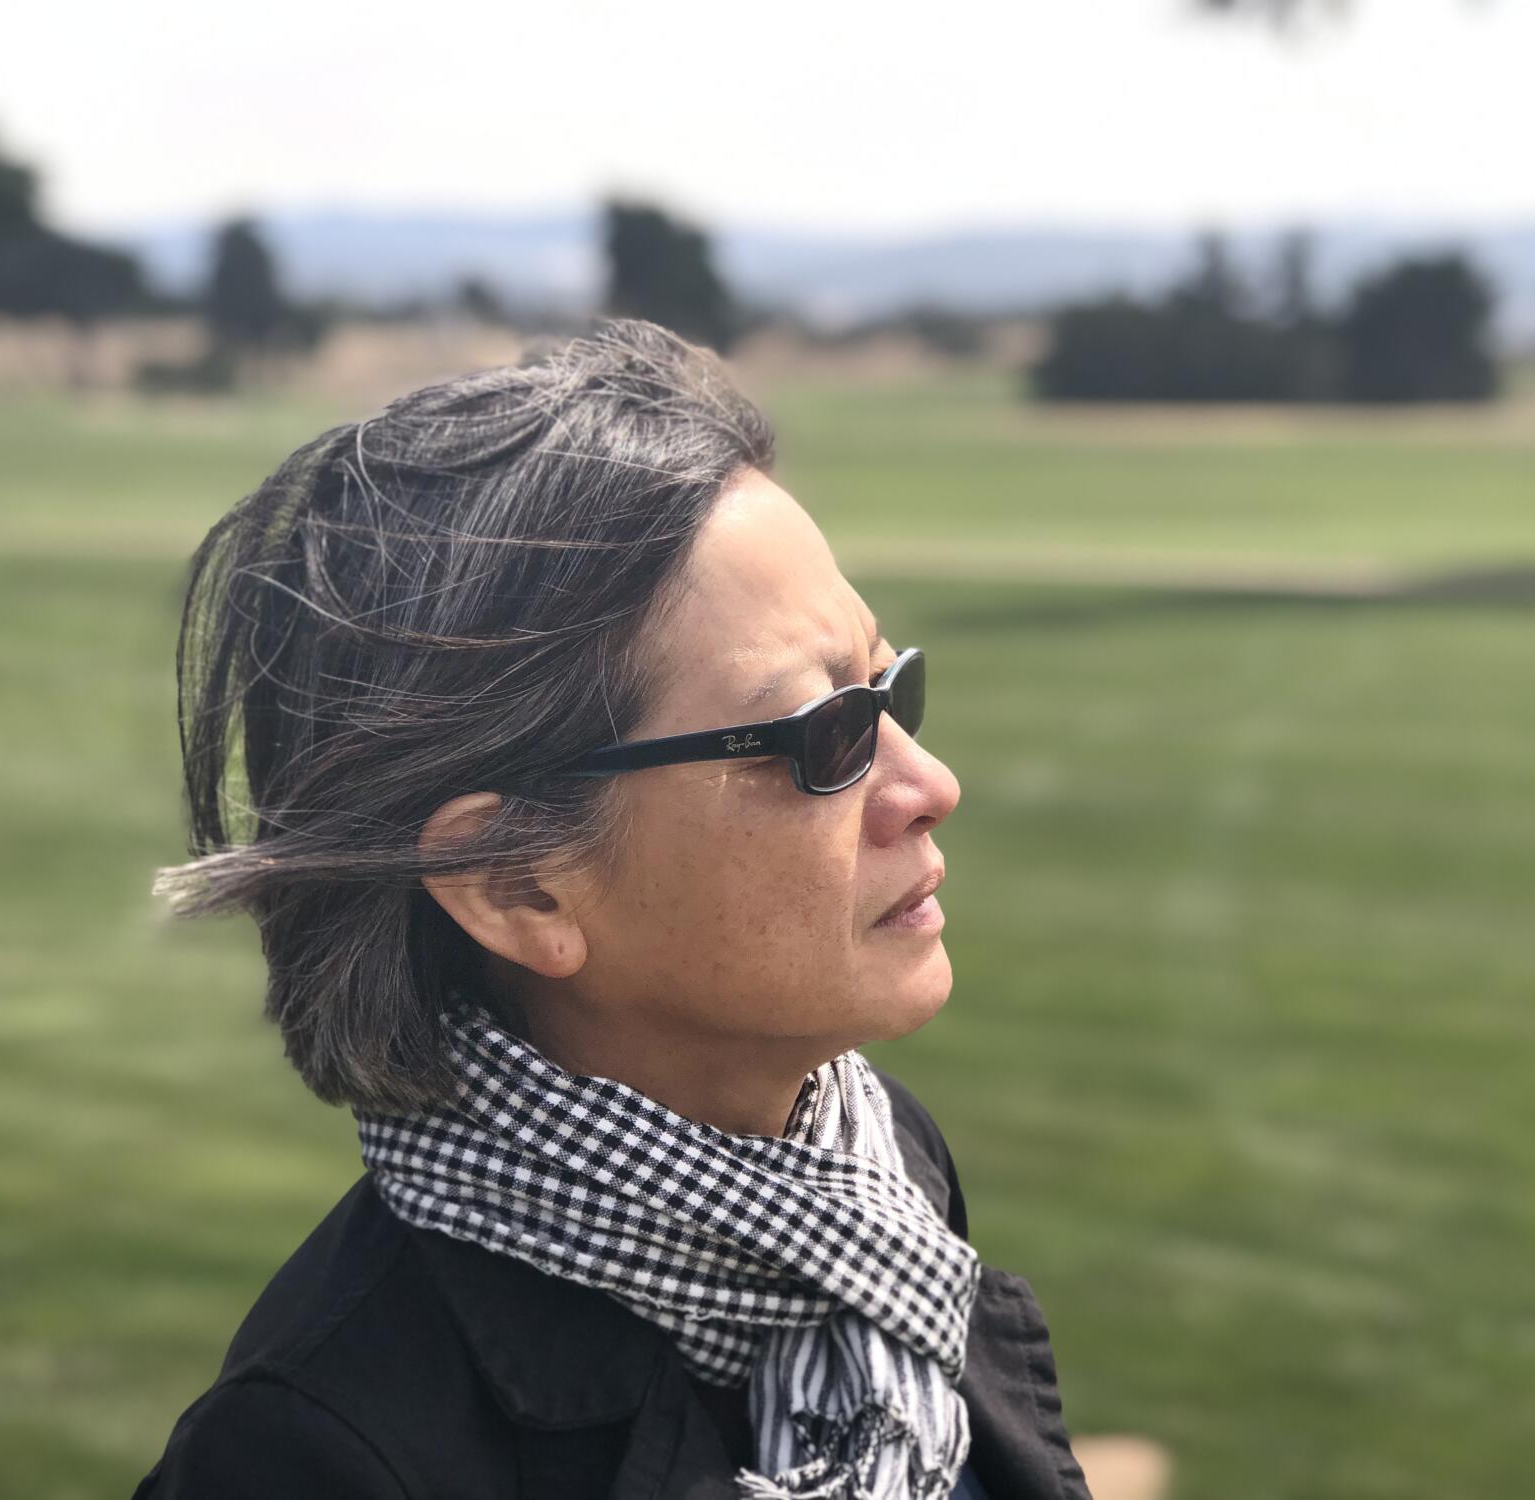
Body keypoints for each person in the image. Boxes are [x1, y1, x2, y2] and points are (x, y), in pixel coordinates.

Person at [130, 319, 1094, 1500]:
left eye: (891, 689)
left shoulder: (869, 1157)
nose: (928, 787)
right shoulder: (319, 1461)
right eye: (823, 737)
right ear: (516, 883)